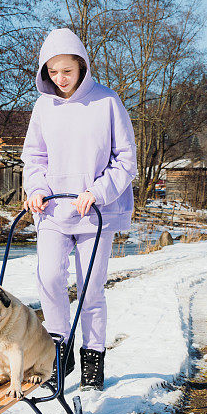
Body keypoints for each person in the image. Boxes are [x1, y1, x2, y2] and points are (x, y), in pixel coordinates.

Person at [21, 28, 137, 391]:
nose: (60, 79)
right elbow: (34, 156)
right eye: (52, 72)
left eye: (67, 71)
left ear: (82, 66)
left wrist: (98, 191)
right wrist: (36, 189)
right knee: (50, 279)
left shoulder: (107, 102)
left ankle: (92, 361)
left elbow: (126, 159)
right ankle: (60, 351)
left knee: (90, 290)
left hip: (94, 213)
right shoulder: (43, 106)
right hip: (53, 212)